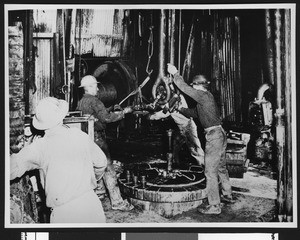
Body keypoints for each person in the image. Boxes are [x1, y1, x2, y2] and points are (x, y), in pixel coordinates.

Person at [10, 97, 108, 223]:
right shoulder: (80, 135)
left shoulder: (41, 146)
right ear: (62, 116)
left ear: (41, 124)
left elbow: (12, 167)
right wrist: (90, 178)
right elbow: (101, 162)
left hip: (65, 213)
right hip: (91, 205)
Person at [167, 63, 234, 215]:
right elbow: (194, 114)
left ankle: (215, 206)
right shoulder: (205, 99)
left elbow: (184, 88)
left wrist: (175, 73)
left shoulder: (202, 95)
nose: (193, 88)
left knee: (210, 172)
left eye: (194, 86)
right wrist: (179, 109)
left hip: (214, 136)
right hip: (220, 133)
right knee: (221, 167)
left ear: (198, 86)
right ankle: (227, 194)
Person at [77, 75, 134, 211]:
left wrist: (109, 108)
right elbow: (106, 119)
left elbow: (97, 114)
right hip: (98, 139)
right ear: (90, 87)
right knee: (108, 167)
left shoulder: (82, 101)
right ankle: (117, 202)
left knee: (95, 165)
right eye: (96, 86)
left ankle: (100, 192)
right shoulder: (95, 101)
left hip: (87, 138)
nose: (98, 88)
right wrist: (124, 112)